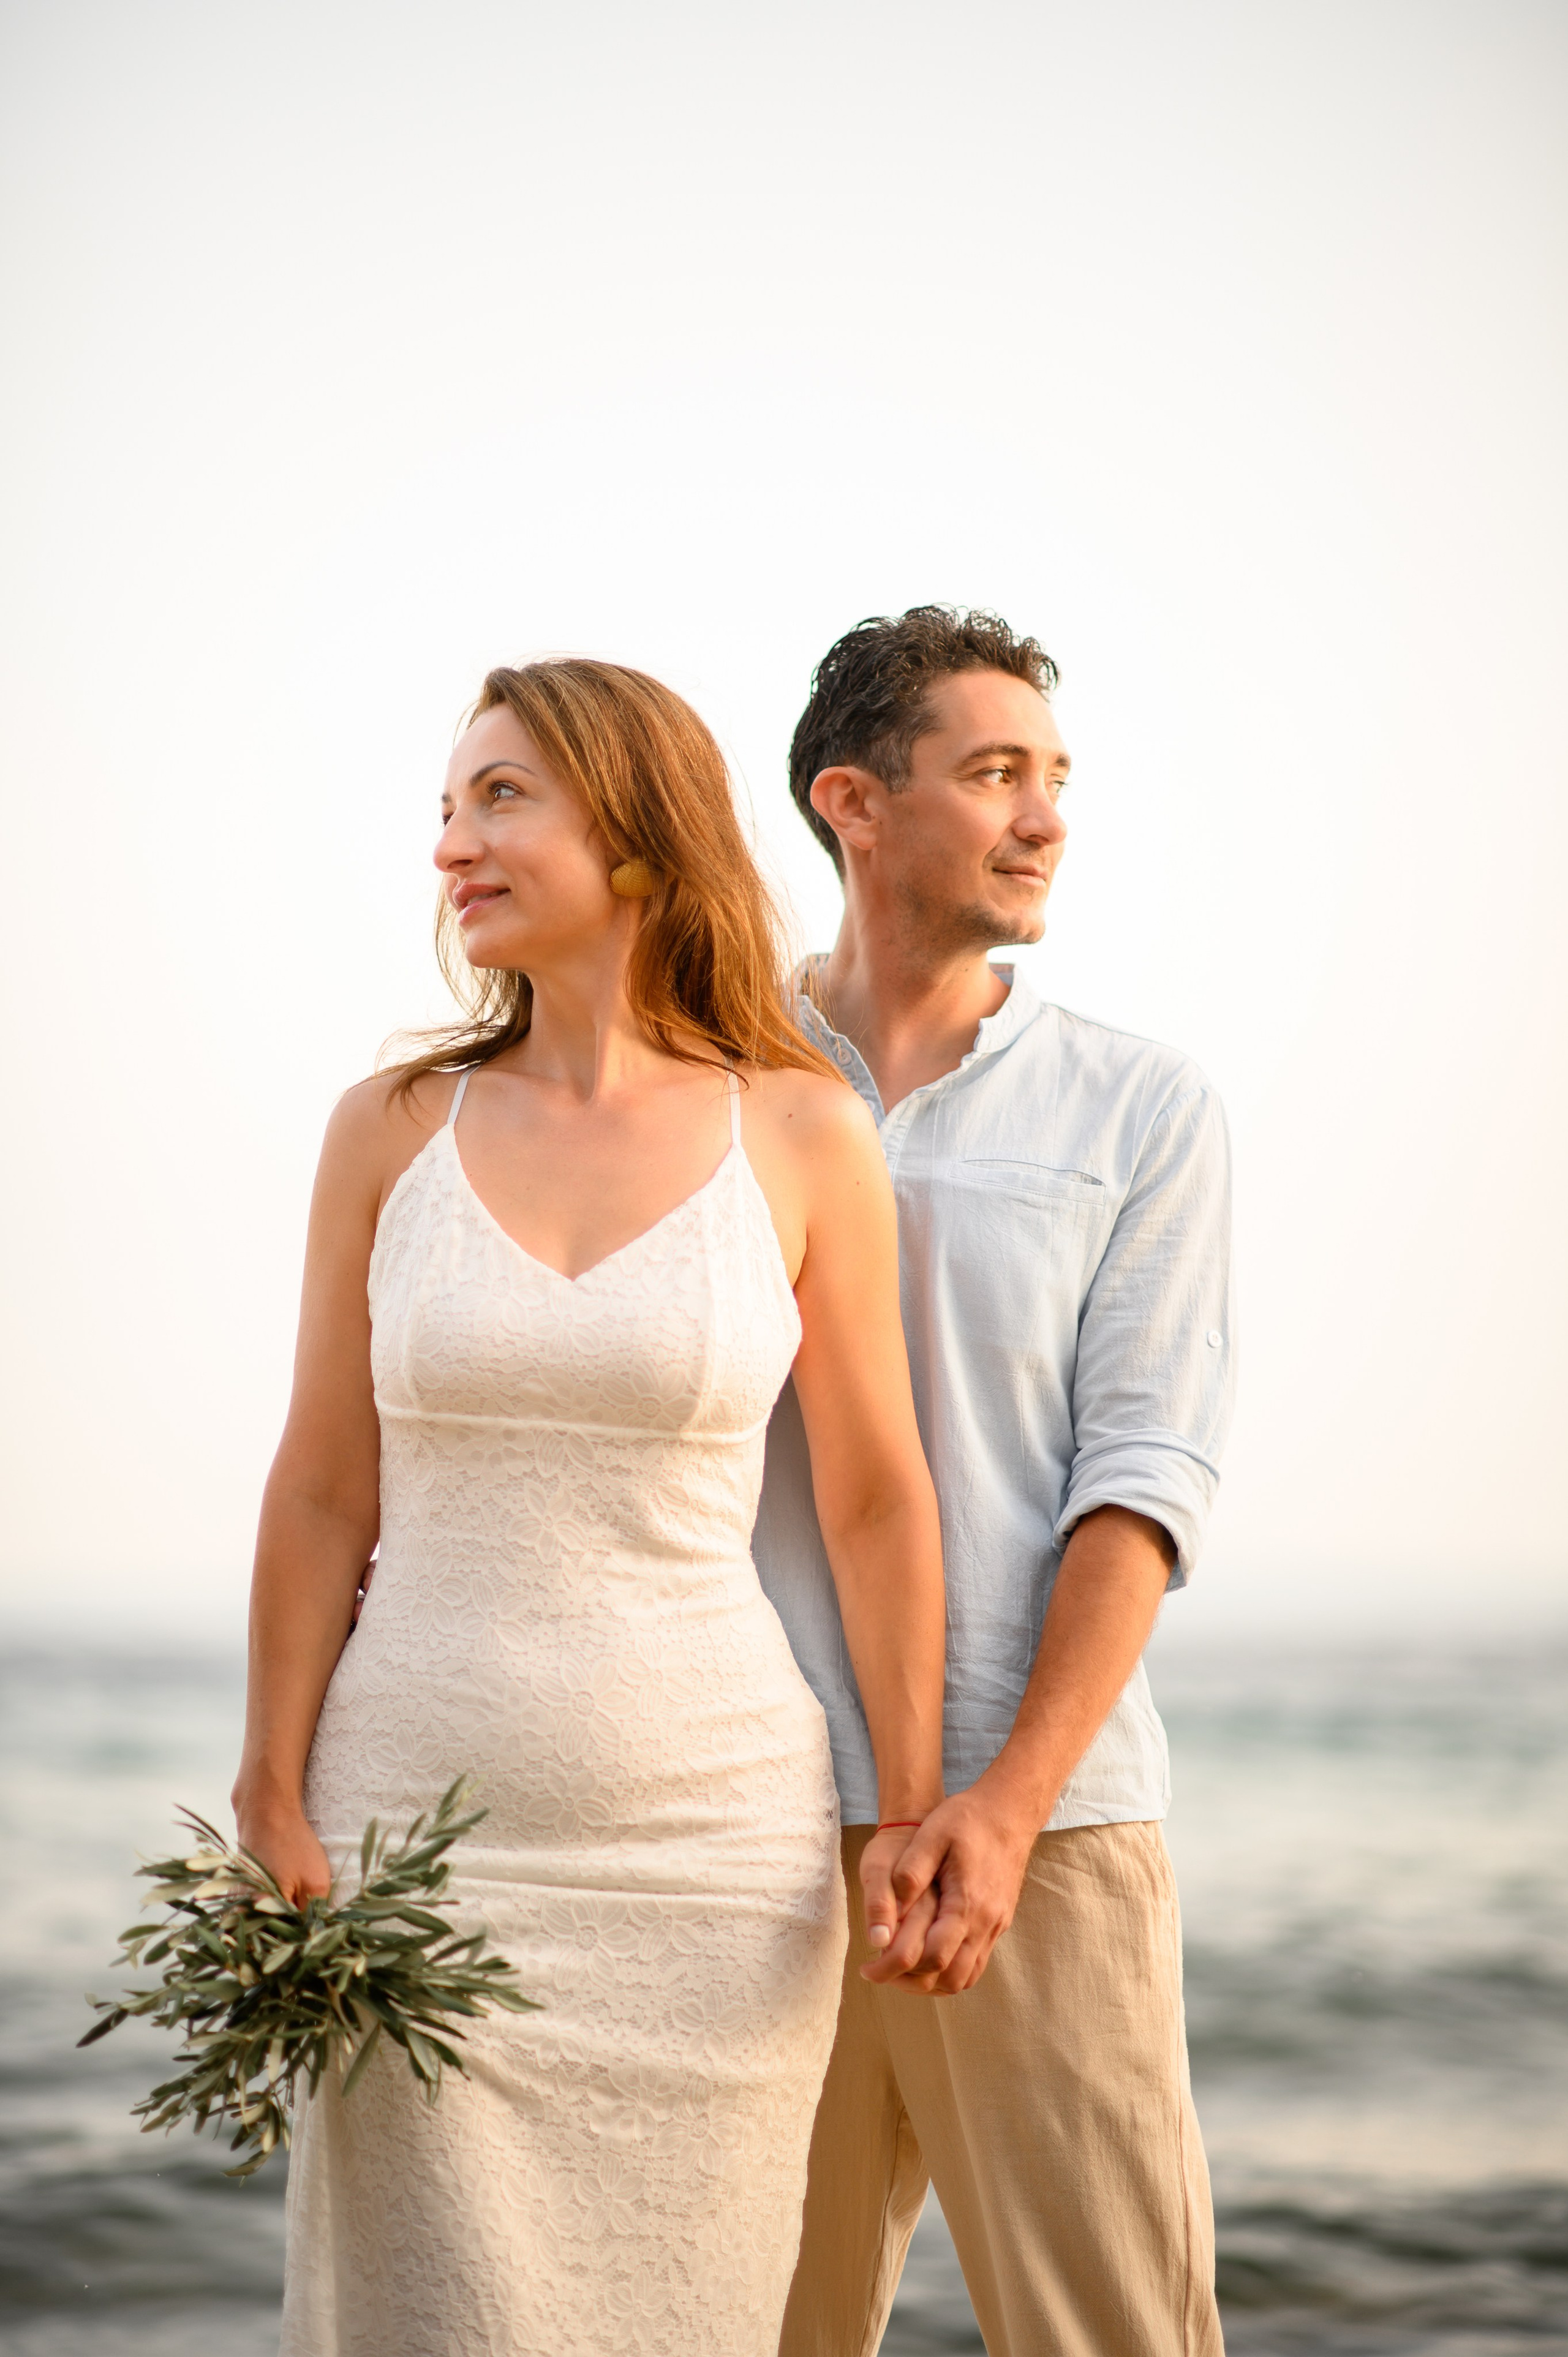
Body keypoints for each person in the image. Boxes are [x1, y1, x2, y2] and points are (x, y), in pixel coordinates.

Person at [231, 658, 948, 2357]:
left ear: (633, 827)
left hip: (709, 1871)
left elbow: (873, 1499)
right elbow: (323, 1487)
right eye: (447, 808)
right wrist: (269, 1781)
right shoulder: (390, 1129)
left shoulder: (802, 1131)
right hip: (410, 1843)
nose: (452, 846)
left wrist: (913, 1810)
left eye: (501, 798)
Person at [754, 608, 1235, 2357]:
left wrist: (1010, 1806)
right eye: (995, 774)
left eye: (1056, 778)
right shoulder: (712, 1080)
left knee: (1111, 2333)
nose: (1045, 820)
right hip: (748, 1830)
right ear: (855, 803)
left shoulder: (1141, 1108)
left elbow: (1142, 1482)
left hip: (1042, 1834)